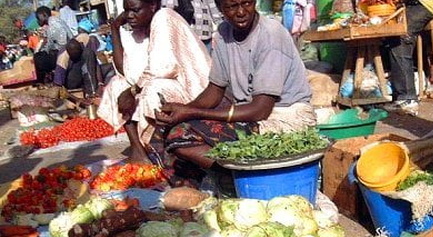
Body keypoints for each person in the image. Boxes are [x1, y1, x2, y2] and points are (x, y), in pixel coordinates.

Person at [154, 0, 315, 175]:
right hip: (251, 113)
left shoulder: (271, 35)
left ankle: (236, 176)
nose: (241, 12)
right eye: (231, 7)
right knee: (165, 130)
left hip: (286, 117)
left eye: (246, 3)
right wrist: (181, 110)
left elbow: (260, 110)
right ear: (220, 8)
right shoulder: (224, 33)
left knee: (182, 134)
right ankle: (225, 176)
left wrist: (191, 113)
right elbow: (215, 90)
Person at [97, 0, 211, 163]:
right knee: (118, 84)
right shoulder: (140, 32)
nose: (129, 16)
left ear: (152, 6)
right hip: (168, 86)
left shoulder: (163, 17)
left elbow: (163, 68)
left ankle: (163, 149)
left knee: (152, 90)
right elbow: (126, 72)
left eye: (135, 10)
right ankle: (139, 150)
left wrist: (133, 91)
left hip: (197, 94)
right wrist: (115, 28)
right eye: (126, 11)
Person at [386, 0, 433, 115]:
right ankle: (404, 93)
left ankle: (407, 98)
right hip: (430, 5)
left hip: (426, 5)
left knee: (399, 38)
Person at [33, 6, 73, 84]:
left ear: (44, 15)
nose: (38, 20)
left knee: (39, 60)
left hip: (64, 52)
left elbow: (62, 43)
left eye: (38, 18)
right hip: (62, 50)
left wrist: (45, 51)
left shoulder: (54, 23)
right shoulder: (53, 23)